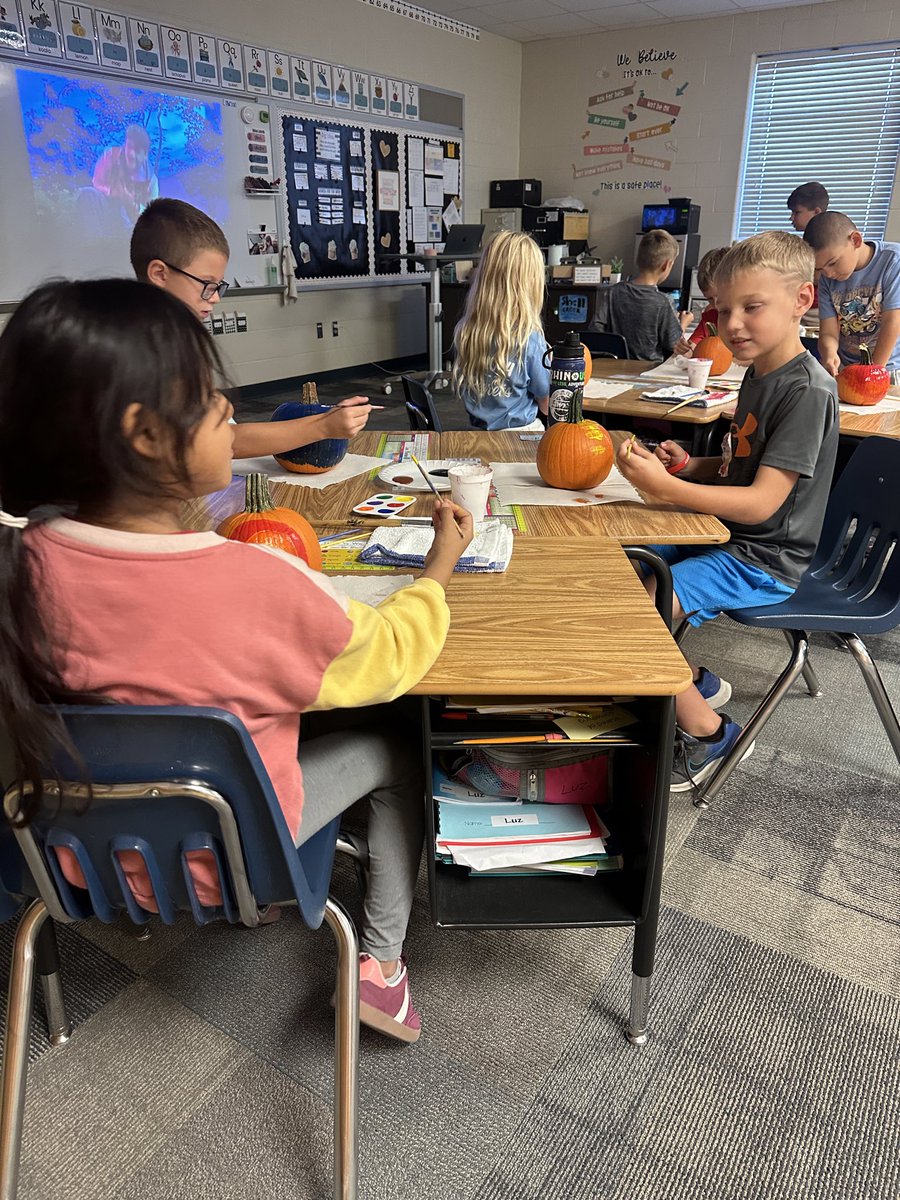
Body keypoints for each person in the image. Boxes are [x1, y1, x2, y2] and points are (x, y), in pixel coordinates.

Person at [0, 279, 474, 1043]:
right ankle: (380, 969)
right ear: (145, 433)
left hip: (70, 865)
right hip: (232, 863)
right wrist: (439, 567)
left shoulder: (20, 569)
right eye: (213, 397)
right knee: (394, 741)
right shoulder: (256, 582)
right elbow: (391, 658)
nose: (232, 410)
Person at [617, 231, 838, 790]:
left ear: (802, 301)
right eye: (722, 308)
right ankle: (693, 679)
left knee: (646, 606)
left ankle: (710, 733)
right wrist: (686, 466)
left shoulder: (808, 391)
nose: (730, 323)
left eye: (751, 307)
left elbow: (765, 501)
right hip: (729, 534)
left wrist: (668, 493)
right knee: (623, 565)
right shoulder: (760, 373)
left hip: (766, 556)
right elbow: (741, 469)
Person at [131, 199, 373, 458]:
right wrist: (323, 426)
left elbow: (222, 432)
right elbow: (224, 443)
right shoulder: (141, 355)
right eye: (207, 284)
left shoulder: (175, 341)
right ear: (159, 274)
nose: (215, 297)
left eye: (218, 286)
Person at [451, 230, 549, 431]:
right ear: (531, 283)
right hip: (520, 438)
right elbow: (547, 405)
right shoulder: (529, 338)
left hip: (477, 436)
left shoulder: (466, 332)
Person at [803, 210, 900, 381]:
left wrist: (873, 373)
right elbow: (829, 332)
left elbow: (892, 322)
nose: (829, 273)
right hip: (847, 370)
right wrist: (830, 354)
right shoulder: (827, 278)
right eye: (820, 269)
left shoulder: (893, 261)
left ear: (855, 240)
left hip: (887, 369)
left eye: (833, 263)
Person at [591, 229, 682, 361]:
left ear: (638, 259)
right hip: (647, 371)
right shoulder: (663, 301)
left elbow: (595, 330)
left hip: (614, 368)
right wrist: (683, 323)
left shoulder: (612, 292)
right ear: (666, 265)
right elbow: (675, 345)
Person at [92, 123, 159, 224]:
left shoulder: (151, 181)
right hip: (106, 208)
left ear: (145, 155)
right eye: (129, 147)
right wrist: (112, 192)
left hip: (132, 223)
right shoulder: (109, 157)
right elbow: (96, 182)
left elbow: (152, 215)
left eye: (137, 151)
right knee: (87, 194)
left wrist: (131, 204)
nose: (131, 154)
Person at [673, 246, 730, 359]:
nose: (716, 305)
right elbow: (693, 348)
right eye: (709, 299)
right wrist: (684, 350)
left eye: (720, 297)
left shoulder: (752, 319)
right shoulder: (710, 317)